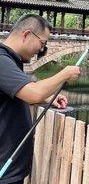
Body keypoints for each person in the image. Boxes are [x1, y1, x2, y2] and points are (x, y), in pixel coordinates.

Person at [0, 14, 80, 184]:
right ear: (26, 34)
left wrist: (49, 98)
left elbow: (19, 93)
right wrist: (64, 74)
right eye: (42, 43)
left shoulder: (10, 60)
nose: (42, 49)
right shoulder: (1, 60)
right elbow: (32, 92)